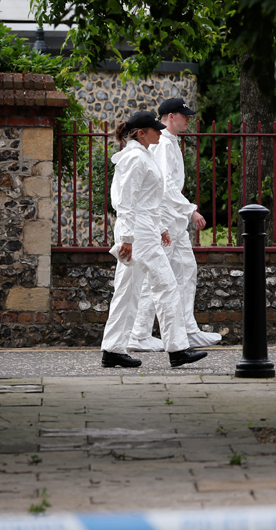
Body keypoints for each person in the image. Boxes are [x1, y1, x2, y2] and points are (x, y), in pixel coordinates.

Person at [101, 110, 209, 368]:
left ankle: (113, 349)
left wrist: (160, 226)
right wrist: (128, 237)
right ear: (141, 133)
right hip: (139, 234)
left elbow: (147, 200)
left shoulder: (141, 155)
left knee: (127, 291)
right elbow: (125, 202)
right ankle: (178, 348)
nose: (160, 132)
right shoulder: (136, 159)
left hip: (143, 230)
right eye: (155, 129)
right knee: (166, 286)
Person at [127, 98, 222, 352]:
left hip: (173, 219)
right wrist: (190, 210)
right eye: (184, 115)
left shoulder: (169, 143)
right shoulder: (163, 145)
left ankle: (187, 330)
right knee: (157, 277)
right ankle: (139, 333)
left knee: (186, 271)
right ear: (171, 116)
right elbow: (166, 186)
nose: (188, 119)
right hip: (167, 218)